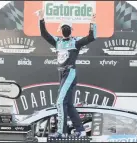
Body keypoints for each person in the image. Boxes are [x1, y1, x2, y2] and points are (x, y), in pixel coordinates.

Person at [37, 9, 97, 138]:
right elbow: (44, 34)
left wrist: (92, 22)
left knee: (59, 102)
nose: (66, 29)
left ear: (71, 30)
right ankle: (80, 130)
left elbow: (92, 37)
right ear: (60, 29)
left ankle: (61, 132)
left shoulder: (75, 42)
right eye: (64, 27)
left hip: (70, 73)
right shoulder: (57, 42)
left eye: (67, 27)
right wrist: (41, 19)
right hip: (62, 74)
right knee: (68, 105)